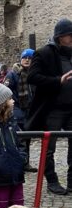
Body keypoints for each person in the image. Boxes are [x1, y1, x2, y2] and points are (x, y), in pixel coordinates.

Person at [27, 19, 72, 195]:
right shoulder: (44, 53)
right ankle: (52, 181)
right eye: (70, 35)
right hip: (53, 109)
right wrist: (57, 81)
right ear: (60, 37)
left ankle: (71, 181)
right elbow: (33, 77)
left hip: (71, 109)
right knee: (49, 147)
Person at [4, 48, 37, 172]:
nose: (27, 60)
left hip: (30, 110)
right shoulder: (13, 74)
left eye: (30, 58)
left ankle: (25, 162)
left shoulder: (35, 74)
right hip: (17, 109)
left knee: (27, 137)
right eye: (25, 58)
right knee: (17, 137)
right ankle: (16, 162)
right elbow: (5, 91)